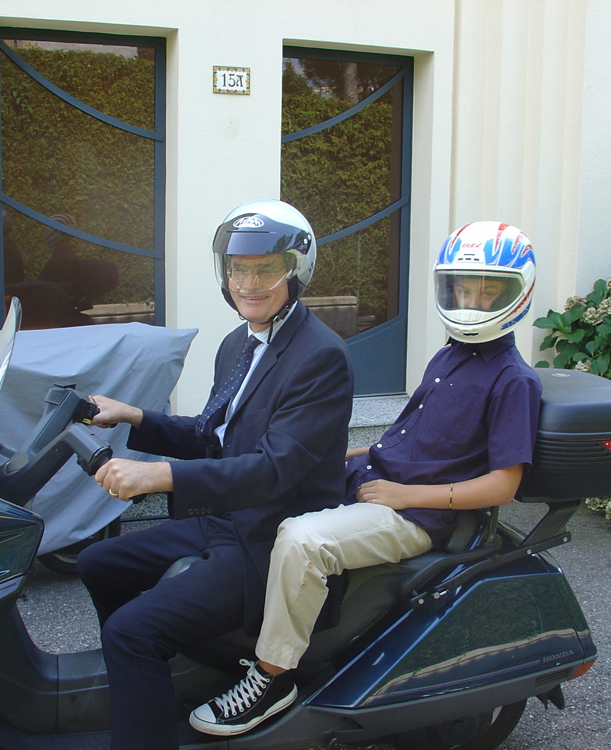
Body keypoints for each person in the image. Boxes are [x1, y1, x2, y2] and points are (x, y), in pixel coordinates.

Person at [188, 221, 543, 737]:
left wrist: (405, 494)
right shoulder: (449, 355)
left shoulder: (513, 380)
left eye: (488, 292)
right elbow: (411, 437)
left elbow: (503, 487)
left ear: (518, 293)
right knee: (275, 492)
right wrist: (344, 454)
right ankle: (232, 630)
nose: (472, 302)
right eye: (463, 290)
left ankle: (272, 677)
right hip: (378, 482)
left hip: (415, 514)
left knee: (303, 539)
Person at [76, 199, 354, 750]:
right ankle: (154, 686)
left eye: (265, 269)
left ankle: (144, 702)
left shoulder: (321, 356)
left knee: (131, 633)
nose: (248, 284)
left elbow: (273, 470)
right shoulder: (238, 343)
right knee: (98, 563)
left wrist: (159, 478)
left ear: (296, 271)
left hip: (266, 541)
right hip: (226, 519)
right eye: (237, 269)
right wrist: (133, 416)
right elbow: (214, 436)